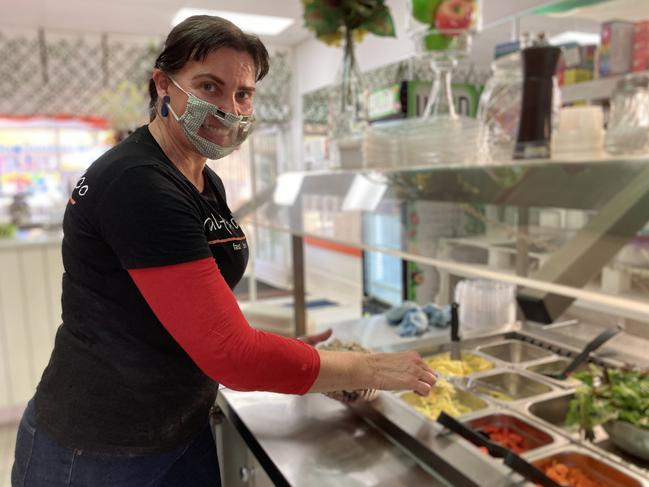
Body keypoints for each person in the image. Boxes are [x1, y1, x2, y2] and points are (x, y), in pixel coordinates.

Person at [11, 15, 437, 487]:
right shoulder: (139, 182)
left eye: (243, 94)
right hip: (100, 449)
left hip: (178, 423)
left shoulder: (201, 176)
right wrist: (365, 367)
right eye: (209, 86)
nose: (228, 108)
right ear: (163, 85)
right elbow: (230, 353)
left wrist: (300, 358)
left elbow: (200, 312)